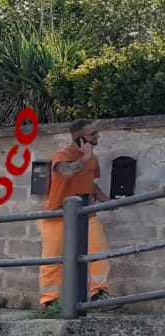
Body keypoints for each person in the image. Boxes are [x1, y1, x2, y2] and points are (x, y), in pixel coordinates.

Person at [37, 118, 111, 310]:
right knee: (52, 260)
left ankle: (99, 294)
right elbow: (68, 172)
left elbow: (89, 182)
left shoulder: (92, 159)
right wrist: (85, 156)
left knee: (99, 253)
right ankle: (50, 301)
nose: (97, 136)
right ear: (80, 138)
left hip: (86, 215)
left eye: (96, 132)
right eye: (92, 134)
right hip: (56, 216)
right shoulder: (62, 155)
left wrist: (106, 200)